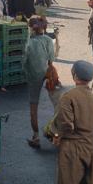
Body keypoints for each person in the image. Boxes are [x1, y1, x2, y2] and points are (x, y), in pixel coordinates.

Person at [25, 15, 56, 149]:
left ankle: (36, 136)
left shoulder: (28, 42)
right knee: (57, 104)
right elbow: (51, 59)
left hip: (33, 77)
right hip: (47, 73)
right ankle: (55, 132)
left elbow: (24, 60)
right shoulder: (48, 40)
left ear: (31, 28)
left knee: (33, 107)